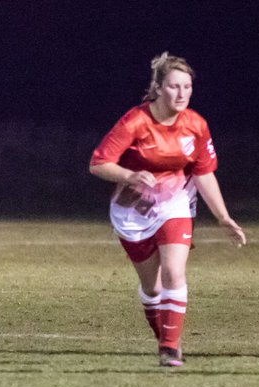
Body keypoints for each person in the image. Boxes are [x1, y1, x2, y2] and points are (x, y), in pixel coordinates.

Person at [89, 52, 246, 367]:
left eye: (187, 87)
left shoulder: (196, 125)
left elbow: (203, 174)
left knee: (175, 271)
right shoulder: (136, 120)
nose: (182, 94)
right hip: (133, 211)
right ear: (158, 88)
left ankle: (170, 348)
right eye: (174, 87)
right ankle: (164, 335)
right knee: (152, 286)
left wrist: (223, 217)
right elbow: (98, 163)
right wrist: (129, 175)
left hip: (176, 203)